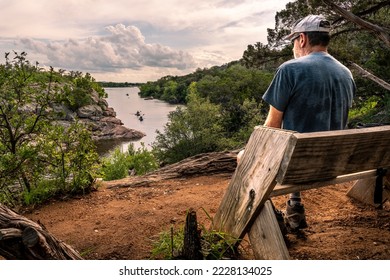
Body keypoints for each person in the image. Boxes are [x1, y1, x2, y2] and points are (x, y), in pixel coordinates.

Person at [239, 15, 356, 231]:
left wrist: (247, 151)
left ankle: (272, 221)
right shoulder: (346, 74)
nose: (293, 46)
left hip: (297, 167)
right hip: (335, 164)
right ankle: (295, 206)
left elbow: (271, 127)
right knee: (298, 141)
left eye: (294, 40)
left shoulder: (290, 69)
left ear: (302, 39)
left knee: (242, 158)